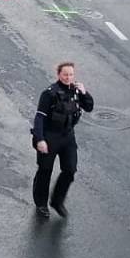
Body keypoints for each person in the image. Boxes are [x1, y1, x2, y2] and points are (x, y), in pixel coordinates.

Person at [31, 62, 94, 218]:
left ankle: (57, 201)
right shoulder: (49, 93)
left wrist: (85, 93)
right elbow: (40, 117)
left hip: (67, 136)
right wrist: (40, 139)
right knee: (45, 170)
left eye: (71, 74)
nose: (68, 77)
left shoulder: (76, 91)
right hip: (50, 136)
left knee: (70, 170)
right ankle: (41, 204)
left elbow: (89, 107)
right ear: (59, 74)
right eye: (65, 74)